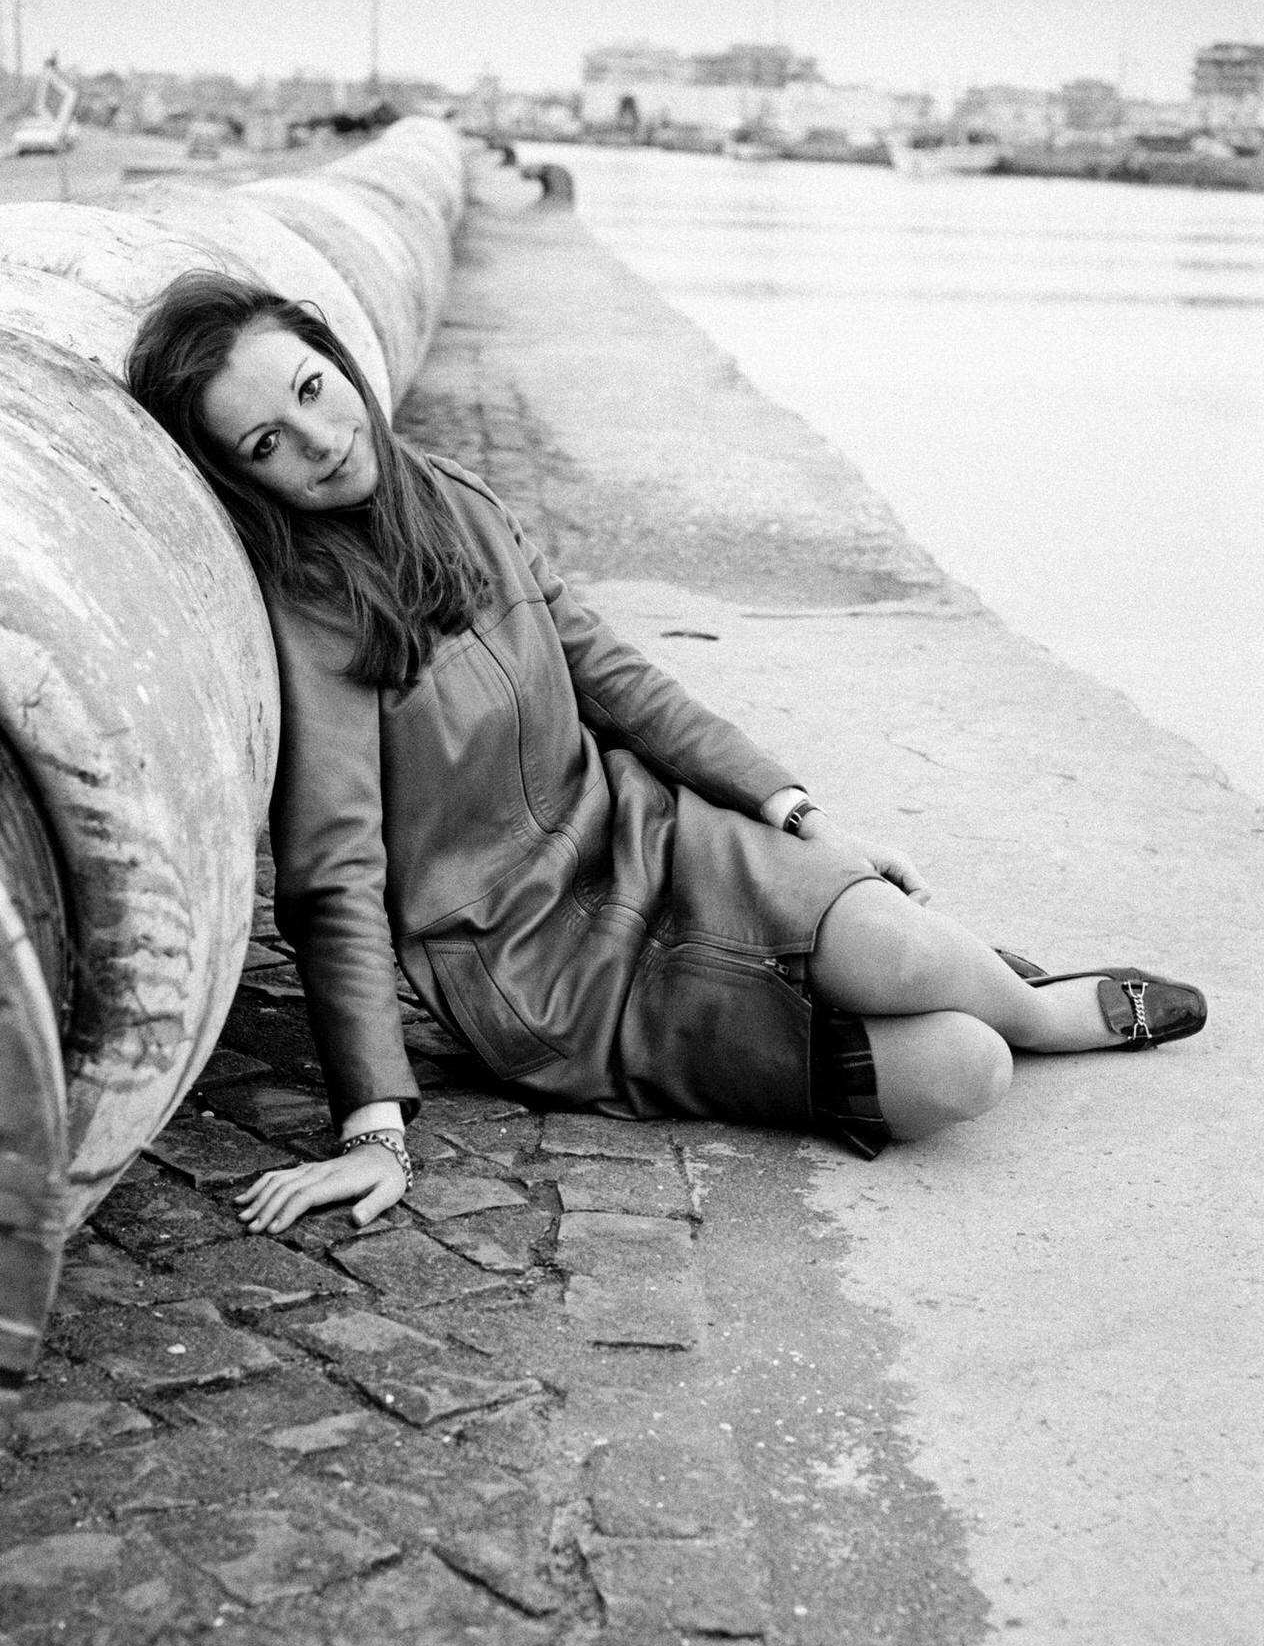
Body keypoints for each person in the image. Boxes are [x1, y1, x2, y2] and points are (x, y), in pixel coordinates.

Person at [124, 270, 1207, 1238]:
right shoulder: (311, 615)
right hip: (543, 968)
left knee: (909, 950)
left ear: (337, 360)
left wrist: (793, 811)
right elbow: (333, 879)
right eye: (266, 442)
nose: (316, 440)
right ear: (241, 479)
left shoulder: (451, 494)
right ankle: (970, 1002)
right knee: (964, 1075)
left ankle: (1033, 1004)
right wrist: (373, 1126)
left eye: (310, 389)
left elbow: (616, 679)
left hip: (641, 833)